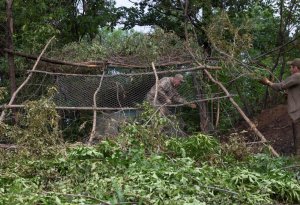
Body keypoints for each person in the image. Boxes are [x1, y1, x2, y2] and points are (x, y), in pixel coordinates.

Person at [260, 58, 300, 156]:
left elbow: (280, 86)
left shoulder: (296, 76)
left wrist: (268, 82)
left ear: (296, 68)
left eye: (291, 67)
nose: (290, 69)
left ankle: (297, 158)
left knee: (298, 136)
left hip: (298, 113)